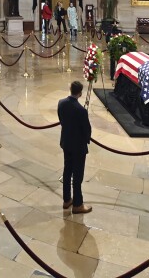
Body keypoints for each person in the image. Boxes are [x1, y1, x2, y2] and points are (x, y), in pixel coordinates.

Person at [57, 80, 92, 213]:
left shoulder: (61, 103)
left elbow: (61, 119)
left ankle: (67, 200)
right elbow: (87, 130)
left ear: (70, 89)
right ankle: (78, 204)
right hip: (78, 147)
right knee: (77, 176)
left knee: (67, 171)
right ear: (80, 93)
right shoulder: (81, 111)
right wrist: (86, 140)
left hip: (66, 143)